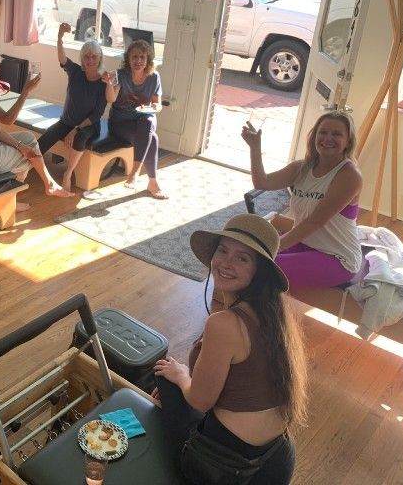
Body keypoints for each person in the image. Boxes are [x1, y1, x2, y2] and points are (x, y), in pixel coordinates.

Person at [153, 213, 308, 485]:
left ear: (259, 270)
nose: (226, 262)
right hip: (276, 458)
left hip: (226, 465)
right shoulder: (276, 315)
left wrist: (181, 376)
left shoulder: (224, 324)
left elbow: (201, 401)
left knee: (163, 377)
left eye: (242, 257)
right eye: (222, 250)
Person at [242, 110, 362, 289]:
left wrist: (273, 246)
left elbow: (314, 222)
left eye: (336, 134)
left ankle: (256, 315)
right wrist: (255, 148)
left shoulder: (349, 175)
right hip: (305, 244)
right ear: (314, 136)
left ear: (348, 142)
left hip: (338, 258)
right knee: (249, 257)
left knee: (259, 267)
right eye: (323, 132)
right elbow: (262, 182)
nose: (328, 138)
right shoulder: (301, 168)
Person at [0, 46, 73, 207]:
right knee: (30, 155)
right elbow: (8, 119)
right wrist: (25, 92)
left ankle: (45, 186)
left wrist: (19, 145)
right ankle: (10, 202)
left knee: (28, 139)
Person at [35, 23, 114, 192]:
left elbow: (96, 114)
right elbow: (62, 59)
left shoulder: (103, 82)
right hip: (66, 122)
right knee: (43, 141)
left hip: (89, 126)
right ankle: (22, 173)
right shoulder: (76, 72)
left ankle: (68, 174)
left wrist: (76, 129)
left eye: (94, 56)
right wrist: (59, 38)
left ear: (99, 58)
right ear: (82, 59)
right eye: (87, 57)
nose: (90, 60)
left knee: (80, 139)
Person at [105, 39, 167, 198]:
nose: (138, 61)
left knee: (147, 121)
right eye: (134, 57)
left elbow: (157, 104)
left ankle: (135, 172)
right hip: (121, 123)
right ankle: (152, 182)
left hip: (144, 120)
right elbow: (111, 99)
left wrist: (154, 108)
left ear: (148, 60)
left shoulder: (154, 77)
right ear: (128, 59)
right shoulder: (121, 75)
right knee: (152, 138)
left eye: (142, 57)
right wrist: (109, 84)